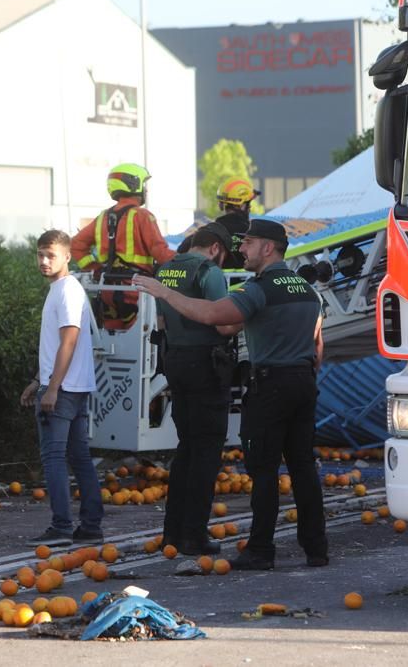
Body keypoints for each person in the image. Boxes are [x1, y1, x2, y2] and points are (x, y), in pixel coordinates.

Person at [132, 218, 327, 570]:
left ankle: (260, 550)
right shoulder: (306, 289)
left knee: (264, 469)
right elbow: (317, 342)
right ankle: (316, 548)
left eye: (249, 243)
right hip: (304, 381)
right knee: (303, 467)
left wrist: (163, 292)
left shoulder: (259, 288)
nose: (242, 250)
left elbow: (214, 317)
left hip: (270, 386)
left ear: (268, 248)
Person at [155, 222, 236, 556]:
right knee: (206, 451)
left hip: (175, 360)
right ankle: (194, 536)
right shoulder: (208, 272)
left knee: (186, 448)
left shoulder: (165, 271)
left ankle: (171, 533)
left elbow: (161, 323)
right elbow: (223, 321)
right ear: (216, 248)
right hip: (205, 363)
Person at [20, 230, 104, 547]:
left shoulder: (67, 290)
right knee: (79, 456)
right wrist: (38, 381)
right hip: (71, 385)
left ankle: (61, 526)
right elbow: (58, 344)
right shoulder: (62, 288)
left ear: (67, 256)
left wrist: (51, 388)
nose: (44, 261)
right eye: (40, 254)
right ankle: (91, 525)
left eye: (50, 255)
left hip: (64, 388)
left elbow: (69, 340)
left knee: (53, 457)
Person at [71, 163, 175, 329]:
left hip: (107, 290)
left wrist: (95, 268)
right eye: (144, 185)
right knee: (147, 343)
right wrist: (187, 260)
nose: (146, 190)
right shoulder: (142, 216)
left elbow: (76, 245)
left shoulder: (102, 218)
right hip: (137, 292)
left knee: (113, 343)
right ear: (134, 184)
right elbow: (160, 253)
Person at [176, 176, 258, 269]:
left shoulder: (200, 236)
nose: (250, 208)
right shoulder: (256, 236)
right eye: (249, 204)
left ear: (221, 204)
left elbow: (178, 259)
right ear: (242, 205)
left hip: (210, 283)